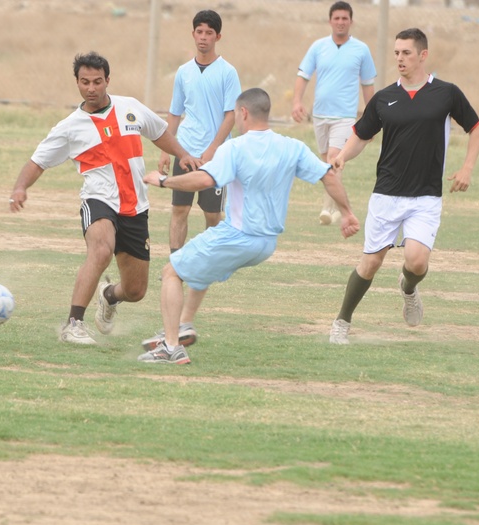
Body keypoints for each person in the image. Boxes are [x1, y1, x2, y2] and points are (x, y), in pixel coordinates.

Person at [139, 88, 360, 364]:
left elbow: (204, 181)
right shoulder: (292, 146)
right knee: (202, 267)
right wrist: (347, 213)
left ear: (243, 113)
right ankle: (183, 324)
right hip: (266, 245)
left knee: (171, 272)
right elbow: (328, 175)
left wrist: (163, 181)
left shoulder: (234, 148)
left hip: (238, 237)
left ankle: (171, 347)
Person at [9, 51, 200, 345]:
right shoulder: (69, 127)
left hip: (136, 206)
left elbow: (159, 132)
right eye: (85, 82)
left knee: (136, 291)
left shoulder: (130, 107)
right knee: (100, 250)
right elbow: (37, 162)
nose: (91, 88)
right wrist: (21, 187)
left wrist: (183, 154)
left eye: (97, 81)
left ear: (108, 80)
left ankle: (109, 295)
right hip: (99, 199)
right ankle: (73, 324)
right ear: (77, 83)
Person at [328, 28, 479, 345]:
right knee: (370, 263)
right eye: (397, 52)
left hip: (426, 195)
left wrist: (467, 168)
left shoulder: (446, 93)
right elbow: (362, 135)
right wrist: (343, 155)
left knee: (416, 261)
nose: (400, 58)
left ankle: (409, 287)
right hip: (386, 193)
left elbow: (476, 128)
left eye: (406, 53)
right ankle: (342, 322)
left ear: (422, 55)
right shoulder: (384, 98)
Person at [155, 9, 241, 348]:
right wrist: (167, 148)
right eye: (199, 31)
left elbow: (231, 114)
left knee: (211, 215)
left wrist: (214, 148)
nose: (203, 37)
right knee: (179, 210)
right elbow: (175, 111)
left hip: (214, 158)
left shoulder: (227, 72)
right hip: (185, 152)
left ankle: (209, 256)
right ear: (193, 34)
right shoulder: (183, 72)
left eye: (209, 32)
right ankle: (178, 262)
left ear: (218, 37)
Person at [291, 1, 375, 227]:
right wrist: (297, 102)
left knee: (333, 160)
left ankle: (327, 209)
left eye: (344, 18)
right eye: (336, 18)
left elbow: (368, 85)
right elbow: (303, 75)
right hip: (320, 115)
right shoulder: (318, 47)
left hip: (345, 116)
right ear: (330, 21)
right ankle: (340, 208)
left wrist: (371, 118)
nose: (340, 22)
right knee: (327, 164)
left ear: (351, 21)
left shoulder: (361, 50)